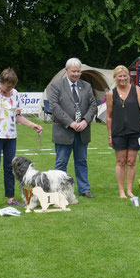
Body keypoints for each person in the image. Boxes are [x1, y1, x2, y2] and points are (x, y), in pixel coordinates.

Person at [0, 68, 43, 211]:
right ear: (1, 82)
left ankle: (11, 198)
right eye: (8, 86)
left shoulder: (16, 95)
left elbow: (18, 116)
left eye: (12, 86)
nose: (10, 89)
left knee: (10, 168)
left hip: (11, 137)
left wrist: (33, 125)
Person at [49, 58, 97, 198]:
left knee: (81, 161)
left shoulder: (87, 86)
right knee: (61, 163)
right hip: (63, 131)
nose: (76, 74)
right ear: (66, 70)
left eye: (78, 71)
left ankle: (84, 189)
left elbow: (93, 105)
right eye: (73, 71)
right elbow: (54, 107)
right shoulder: (56, 86)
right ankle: (57, 191)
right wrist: (70, 123)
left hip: (82, 132)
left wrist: (85, 121)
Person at [106, 65, 140, 198]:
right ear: (115, 77)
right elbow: (109, 116)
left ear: (128, 76)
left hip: (135, 131)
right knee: (121, 162)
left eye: (124, 76)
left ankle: (129, 190)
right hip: (118, 132)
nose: (122, 78)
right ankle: (121, 191)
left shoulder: (136, 89)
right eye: (120, 76)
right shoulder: (111, 94)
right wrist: (109, 135)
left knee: (131, 162)